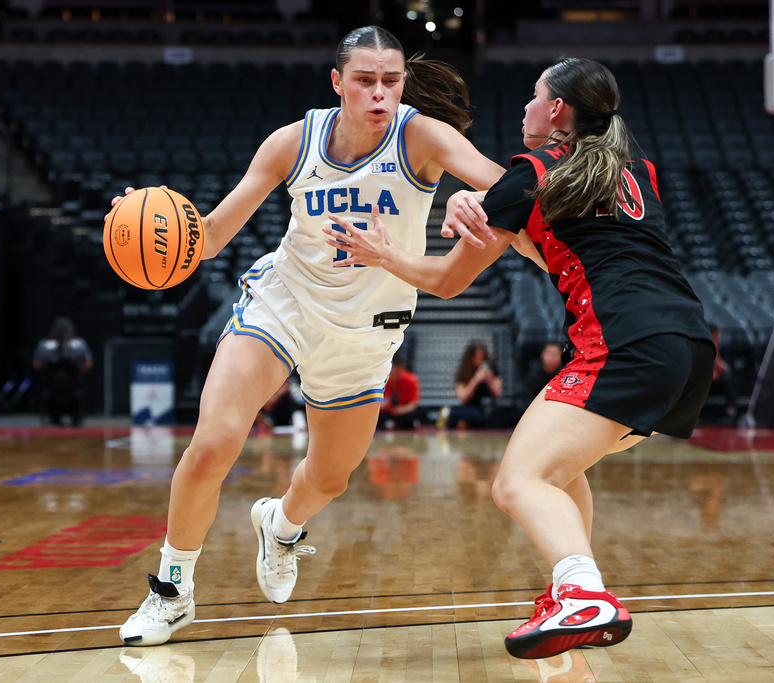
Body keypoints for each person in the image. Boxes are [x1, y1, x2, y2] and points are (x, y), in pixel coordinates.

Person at [112, 25, 504, 646]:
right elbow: (209, 237)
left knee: (329, 477)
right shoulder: (294, 143)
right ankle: (172, 589)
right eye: (366, 81)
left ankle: (282, 524)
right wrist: (147, 223)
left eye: (392, 81)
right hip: (284, 302)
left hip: (365, 331)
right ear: (337, 83)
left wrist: (471, 203)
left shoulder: (421, 135)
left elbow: (503, 182)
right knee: (213, 443)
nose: (381, 94)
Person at [324, 57, 714, 659]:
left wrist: (384, 255)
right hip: (689, 345)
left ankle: (584, 594)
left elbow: (449, 281)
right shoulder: (635, 169)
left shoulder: (531, 171)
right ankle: (571, 591)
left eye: (535, 96)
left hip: (624, 343)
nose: (525, 107)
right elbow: (554, 240)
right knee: (560, 470)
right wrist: (475, 199)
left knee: (516, 481)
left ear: (557, 109)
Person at [32, 317, 93, 426]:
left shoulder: (44, 345)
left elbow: (37, 364)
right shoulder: (79, 345)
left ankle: (55, 418)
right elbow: (88, 364)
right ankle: (74, 418)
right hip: (69, 385)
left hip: (55, 385)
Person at [438, 341, 503, 429]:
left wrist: (489, 380)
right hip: (472, 408)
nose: (480, 361)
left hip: (489, 409)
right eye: (477, 358)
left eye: (482, 358)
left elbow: (497, 395)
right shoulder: (464, 372)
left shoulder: (493, 370)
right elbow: (463, 398)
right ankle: (450, 415)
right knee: (473, 414)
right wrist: (476, 380)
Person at [378, 354, 422, 430]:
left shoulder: (411, 380)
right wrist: (382, 405)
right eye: (394, 372)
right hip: (386, 411)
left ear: (403, 369)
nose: (396, 375)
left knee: (419, 413)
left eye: (398, 372)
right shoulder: (382, 380)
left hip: (403, 411)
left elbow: (414, 403)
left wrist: (401, 409)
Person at [520, 341, 564, 406]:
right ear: (542, 355)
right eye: (549, 354)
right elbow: (526, 400)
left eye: (554, 354)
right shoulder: (533, 377)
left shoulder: (565, 375)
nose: (551, 358)